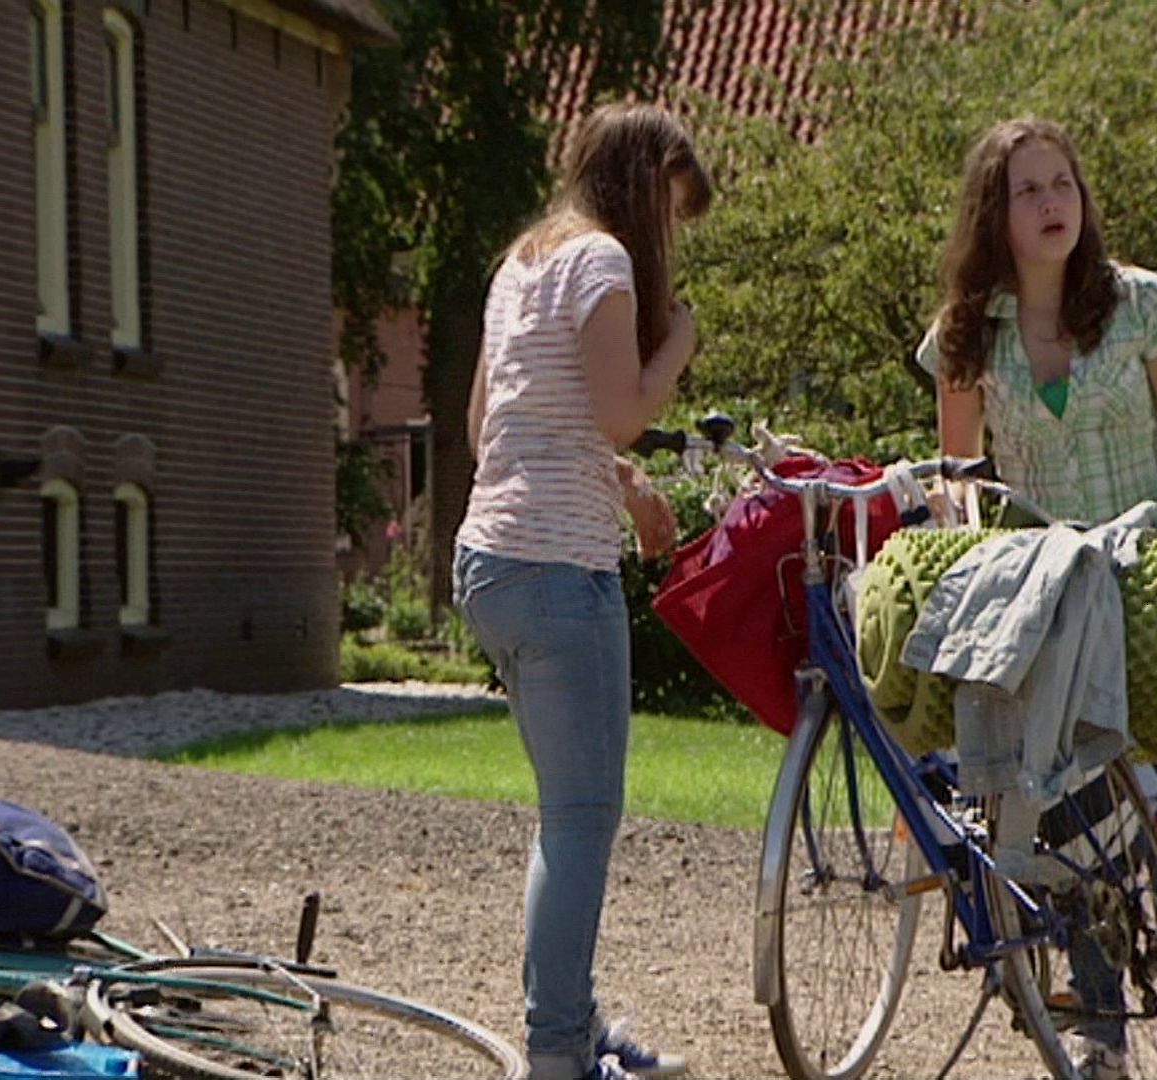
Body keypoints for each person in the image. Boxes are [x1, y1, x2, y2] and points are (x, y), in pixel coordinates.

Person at [915, 117, 1157, 1077]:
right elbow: (958, 478)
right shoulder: (968, 333)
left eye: (1063, 184)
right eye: (1029, 190)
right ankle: (1099, 1027)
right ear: (996, 214)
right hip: (1046, 601)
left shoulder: (1143, 306)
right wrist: (974, 571)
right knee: (1071, 824)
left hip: (1149, 588)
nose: (1053, 203)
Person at [452, 103, 710, 1080]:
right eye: (673, 212)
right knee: (579, 820)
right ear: (644, 188)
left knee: (565, 813)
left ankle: (574, 1021)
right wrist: (675, 347)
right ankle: (559, 1052)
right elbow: (619, 412)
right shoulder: (603, 262)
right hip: (560, 573)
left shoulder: (522, 263)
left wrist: (624, 489)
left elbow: (493, 425)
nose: (672, 236)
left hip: (490, 563)